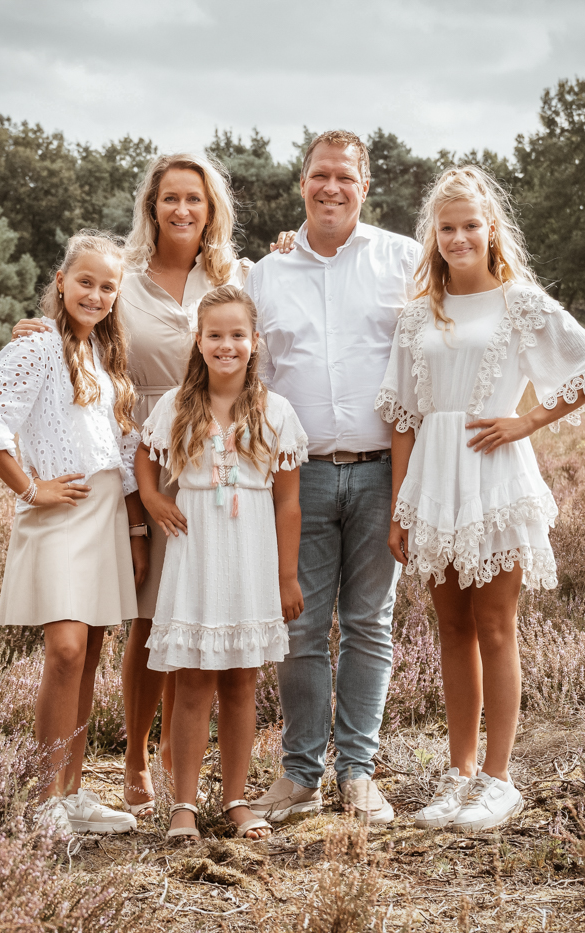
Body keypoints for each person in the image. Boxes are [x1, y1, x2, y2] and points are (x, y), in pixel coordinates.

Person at [9, 153, 293, 819]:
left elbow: (260, 329)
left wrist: (289, 244)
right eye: (170, 198)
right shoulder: (127, 281)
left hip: (218, 452)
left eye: (195, 198)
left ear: (212, 207)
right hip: (142, 450)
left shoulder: (238, 273)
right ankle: (136, 757)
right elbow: (87, 324)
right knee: (148, 614)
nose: (183, 210)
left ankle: (181, 770)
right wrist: (42, 329)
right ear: (153, 206)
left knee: (198, 611)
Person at [378, 166, 585, 832]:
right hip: (432, 482)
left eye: (470, 224)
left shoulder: (521, 303)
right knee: (450, 629)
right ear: (434, 235)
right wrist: (399, 505)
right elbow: (402, 414)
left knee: (494, 624)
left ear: (491, 230)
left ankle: (499, 779)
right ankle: (459, 776)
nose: (459, 236)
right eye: (447, 226)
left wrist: (525, 420)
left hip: (495, 477)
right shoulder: (416, 315)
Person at [245, 130, 420, 825]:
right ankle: (299, 773)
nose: (331, 188)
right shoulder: (267, 271)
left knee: (370, 624)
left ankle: (358, 773)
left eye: (345, 177)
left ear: (365, 185)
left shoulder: (403, 259)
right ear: (302, 183)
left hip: (382, 472)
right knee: (301, 626)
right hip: (299, 476)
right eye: (320, 175)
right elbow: (248, 374)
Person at [0, 231, 144, 835]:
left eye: (106, 286)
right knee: (64, 650)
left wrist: (137, 523)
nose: (94, 294)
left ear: (116, 297)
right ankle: (45, 801)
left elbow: (120, 446)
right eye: (84, 281)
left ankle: (74, 791)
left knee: (90, 655)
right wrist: (29, 488)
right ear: (60, 282)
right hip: (59, 512)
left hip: (106, 513)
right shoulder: (37, 348)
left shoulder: (106, 359)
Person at [136, 285, 307, 842]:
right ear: (199, 341)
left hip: (253, 554)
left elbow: (287, 500)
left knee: (241, 682)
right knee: (193, 682)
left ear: (255, 343)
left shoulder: (276, 411)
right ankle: (183, 805)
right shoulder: (177, 405)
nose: (226, 344)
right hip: (196, 552)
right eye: (215, 335)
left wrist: (285, 576)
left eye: (237, 335)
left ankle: (236, 799)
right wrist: (155, 498)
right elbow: (144, 456)